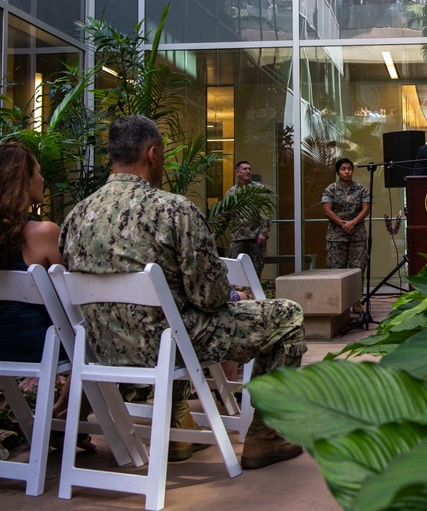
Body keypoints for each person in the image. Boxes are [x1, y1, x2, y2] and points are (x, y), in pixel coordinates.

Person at [59, 115, 307, 469]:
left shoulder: (75, 217)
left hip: (104, 349)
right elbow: (210, 296)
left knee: (173, 312)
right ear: (153, 153)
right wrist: (235, 295)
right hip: (171, 344)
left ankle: (178, 421)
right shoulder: (173, 210)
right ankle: (266, 436)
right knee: (287, 315)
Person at [0, 143, 96, 452]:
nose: (42, 179)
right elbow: (74, 296)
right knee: (100, 335)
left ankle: (63, 414)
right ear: (22, 181)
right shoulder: (44, 232)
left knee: (85, 339)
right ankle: (68, 415)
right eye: (38, 172)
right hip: (40, 346)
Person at [225, 160, 272, 285]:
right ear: (237, 172)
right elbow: (225, 214)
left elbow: (265, 212)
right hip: (237, 237)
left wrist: (264, 232)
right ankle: (239, 294)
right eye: (245, 169)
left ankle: (254, 294)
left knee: (255, 268)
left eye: (249, 169)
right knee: (236, 268)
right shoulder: (231, 192)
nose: (248, 171)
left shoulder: (258, 189)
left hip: (255, 236)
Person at [321, 158, 370, 270]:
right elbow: (327, 211)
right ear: (338, 172)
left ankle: (356, 289)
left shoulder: (361, 189)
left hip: (357, 236)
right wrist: (344, 224)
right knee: (335, 272)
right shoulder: (330, 189)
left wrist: (352, 223)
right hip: (336, 237)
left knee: (358, 270)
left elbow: (366, 209)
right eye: (343, 169)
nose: (347, 172)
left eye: (349, 169)